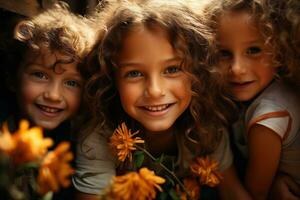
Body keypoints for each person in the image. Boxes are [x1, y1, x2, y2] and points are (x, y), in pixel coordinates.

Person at [73, 0, 251, 200]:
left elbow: (232, 191)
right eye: (134, 73)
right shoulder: (98, 138)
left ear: (198, 74)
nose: (155, 91)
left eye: (172, 70)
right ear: (111, 79)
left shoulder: (207, 125)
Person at [1, 2, 99, 199]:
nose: (53, 95)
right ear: (13, 78)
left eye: (71, 83)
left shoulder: (79, 145)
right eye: (40, 75)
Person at [203, 0, 300, 199]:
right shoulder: (276, 88)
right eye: (224, 53)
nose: (237, 68)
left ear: (279, 50)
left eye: (253, 50)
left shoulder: (266, 120)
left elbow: (255, 194)